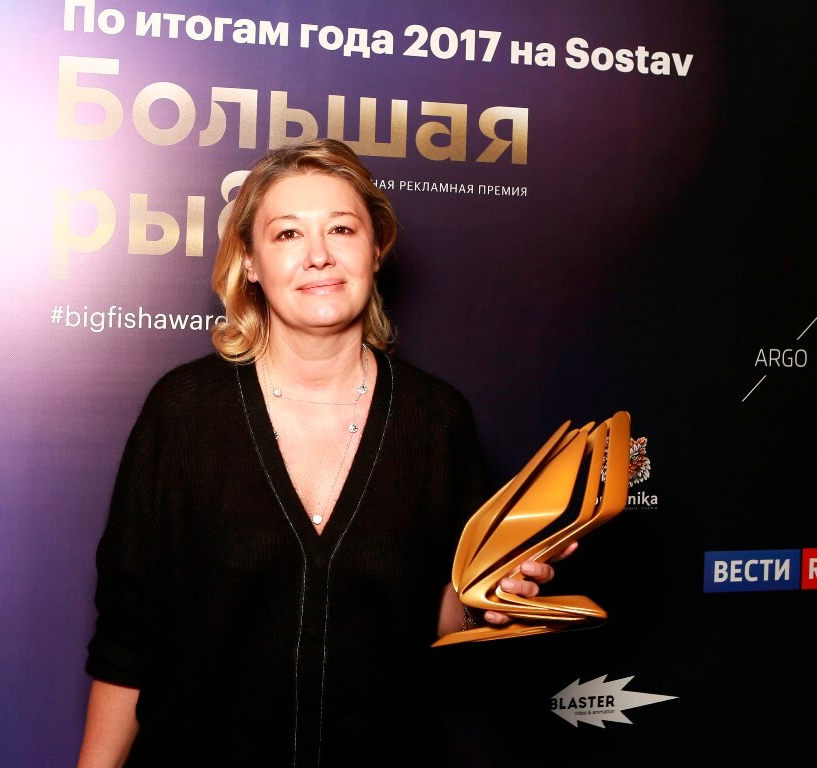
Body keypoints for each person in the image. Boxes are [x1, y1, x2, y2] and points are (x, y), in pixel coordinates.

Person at [76, 138, 575, 767]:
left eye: (342, 228)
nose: (318, 255)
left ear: (375, 249)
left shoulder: (437, 419)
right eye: (288, 233)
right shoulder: (183, 412)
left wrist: (493, 595)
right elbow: (129, 637)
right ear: (249, 262)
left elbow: (437, 617)